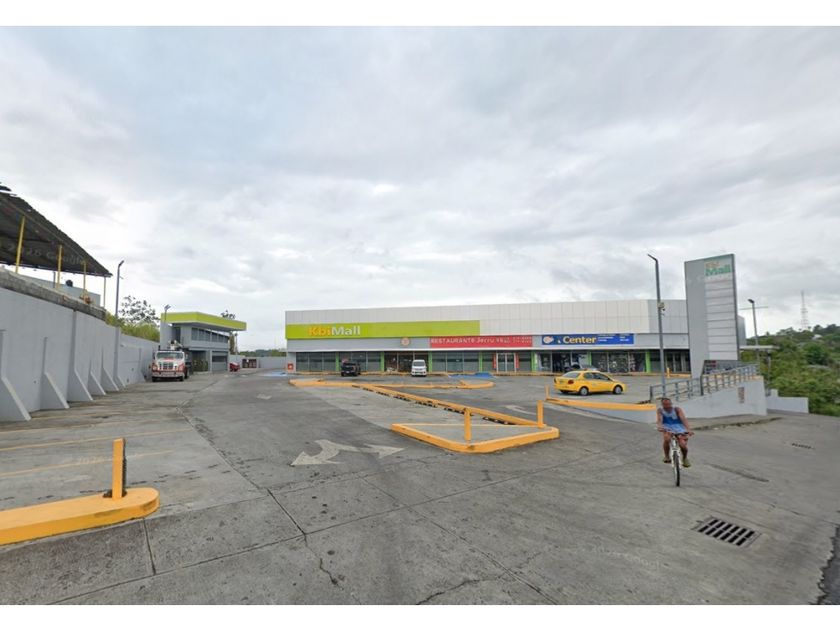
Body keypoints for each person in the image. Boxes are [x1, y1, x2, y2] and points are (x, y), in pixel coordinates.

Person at [657, 397, 694, 467]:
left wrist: (688, 429)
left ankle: (685, 458)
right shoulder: (660, 410)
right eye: (665, 404)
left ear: (671, 403)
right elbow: (660, 420)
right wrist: (660, 426)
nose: (667, 406)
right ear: (662, 405)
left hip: (679, 427)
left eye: (669, 404)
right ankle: (667, 456)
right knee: (667, 439)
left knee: (683, 445)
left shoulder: (677, 409)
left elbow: (683, 419)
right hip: (667, 427)